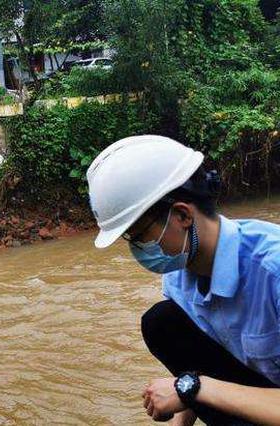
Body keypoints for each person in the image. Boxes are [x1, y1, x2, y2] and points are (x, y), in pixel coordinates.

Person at [87, 135, 280, 425]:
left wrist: (192, 388)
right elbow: (200, 367)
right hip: (257, 398)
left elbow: (197, 384)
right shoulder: (179, 278)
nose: (137, 250)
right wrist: (188, 393)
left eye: (140, 236)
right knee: (161, 322)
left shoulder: (272, 270)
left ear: (182, 215)